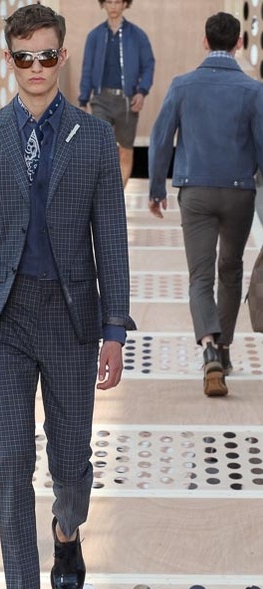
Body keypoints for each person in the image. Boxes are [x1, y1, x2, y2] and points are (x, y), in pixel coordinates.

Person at [0, 3, 135, 589]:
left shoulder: (94, 135)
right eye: (24, 56)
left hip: (73, 317)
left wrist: (115, 328)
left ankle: (66, 529)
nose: (35, 67)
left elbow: (111, 238)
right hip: (4, 319)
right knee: (9, 464)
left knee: (70, 461)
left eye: (46, 55)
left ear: (62, 57)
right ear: (10, 59)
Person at [148, 12, 263, 398]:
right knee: (230, 269)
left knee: (200, 277)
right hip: (239, 192)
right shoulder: (253, 90)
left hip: (195, 192)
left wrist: (157, 188)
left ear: (204, 41)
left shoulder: (183, 85)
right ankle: (225, 351)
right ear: (239, 44)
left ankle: (210, 347)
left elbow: (161, 138)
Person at [79, 0, 155, 186]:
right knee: (99, 148)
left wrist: (141, 92)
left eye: (117, 2)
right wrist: (83, 100)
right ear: (103, 4)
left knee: (125, 150)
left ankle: (118, 195)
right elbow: (87, 69)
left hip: (127, 100)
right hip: (100, 99)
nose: (113, 6)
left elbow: (148, 65)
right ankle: (102, 193)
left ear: (124, 4)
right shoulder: (95, 36)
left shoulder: (137, 35)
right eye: (109, 2)